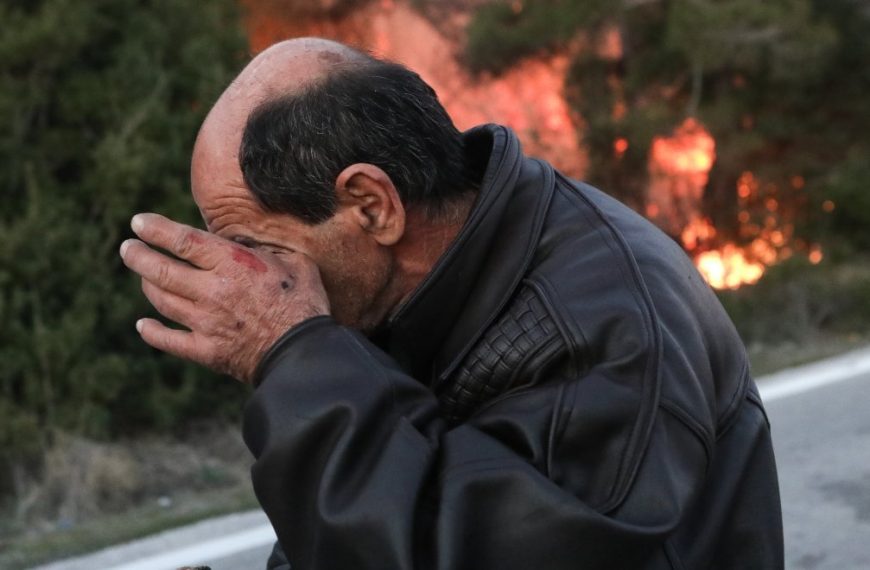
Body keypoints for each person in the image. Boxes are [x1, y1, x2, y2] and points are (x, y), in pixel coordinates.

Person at [119, 38, 783, 569]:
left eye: (252, 243)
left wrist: (293, 352)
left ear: (371, 205)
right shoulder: (410, 289)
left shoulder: (604, 322)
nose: (249, 276)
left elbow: (455, 547)